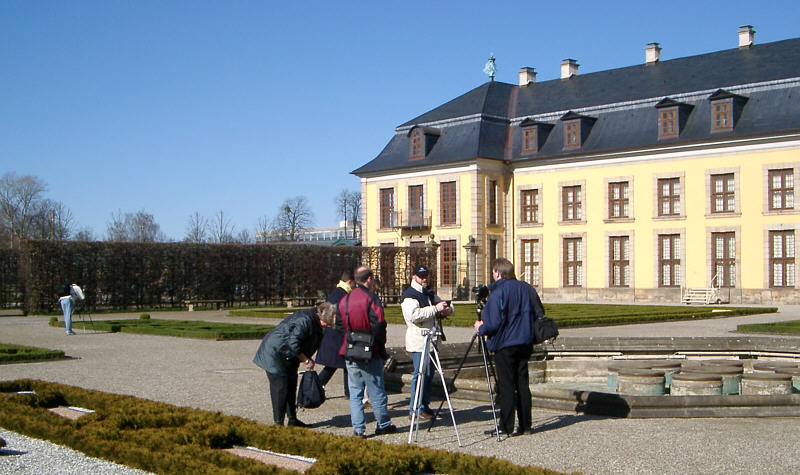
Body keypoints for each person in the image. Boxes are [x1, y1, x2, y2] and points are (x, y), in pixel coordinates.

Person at [473, 257, 544, 437]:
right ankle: (526, 426)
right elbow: (540, 312)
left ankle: (506, 427)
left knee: (506, 386)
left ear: (497, 272)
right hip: (525, 342)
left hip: (505, 343)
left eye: (493, 273)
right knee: (522, 383)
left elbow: (494, 323)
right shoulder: (526, 288)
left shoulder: (499, 293)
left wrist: (481, 327)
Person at [253, 301, 336, 427]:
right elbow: (293, 343)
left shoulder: (314, 321)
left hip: (289, 355)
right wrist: (306, 360)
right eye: (327, 323)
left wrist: (306, 357)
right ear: (321, 317)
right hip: (276, 353)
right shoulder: (305, 320)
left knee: (291, 385)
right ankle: (278, 423)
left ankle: (292, 419)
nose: (327, 326)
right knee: (280, 389)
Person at [339, 265, 396, 438]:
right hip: (370, 349)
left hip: (350, 347)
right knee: (376, 389)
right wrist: (380, 343)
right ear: (369, 278)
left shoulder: (345, 300)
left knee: (355, 392)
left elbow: (339, 324)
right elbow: (379, 324)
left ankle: (358, 429)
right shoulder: (371, 299)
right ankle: (383, 424)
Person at [401, 264, 453, 421]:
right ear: (414, 277)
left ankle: (424, 405)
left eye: (426, 276)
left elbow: (443, 304)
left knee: (429, 374)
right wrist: (436, 309)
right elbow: (414, 315)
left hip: (431, 341)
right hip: (418, 340)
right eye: (421, 276)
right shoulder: (409, 295)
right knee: (420, 374)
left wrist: (447, 309)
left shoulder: (428, 293)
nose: (424, 279)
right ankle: (414, 408)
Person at [316, 270, 354, 397]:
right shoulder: (342, 295)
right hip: (337, 335)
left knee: (343, 364)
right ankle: (315, 387)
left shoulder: (337, 292)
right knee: (333, 365)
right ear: (350, 282)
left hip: (334, 335)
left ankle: (349, 392)